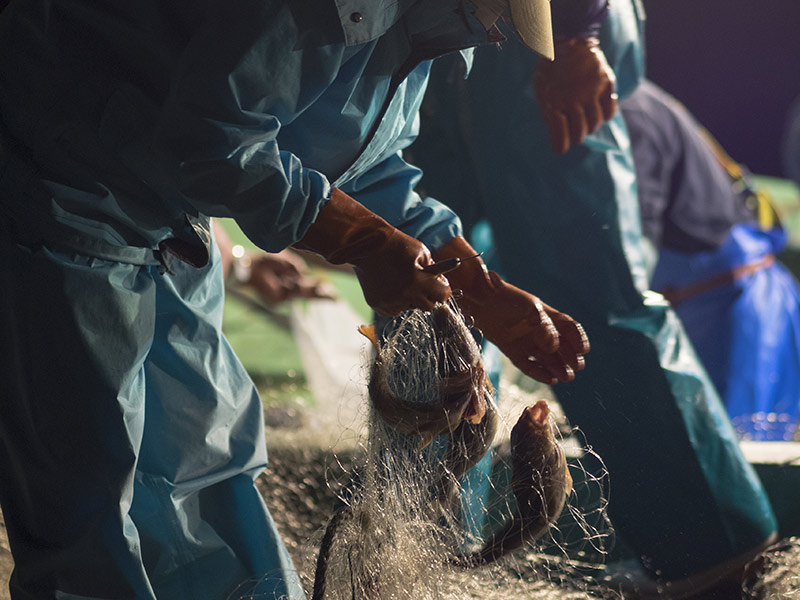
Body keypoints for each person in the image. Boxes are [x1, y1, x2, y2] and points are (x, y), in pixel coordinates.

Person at [0, 1, 590, 598]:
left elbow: (356, 158)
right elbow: (213, 141)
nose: (497, 33)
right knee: (85, 494)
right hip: (65, 191)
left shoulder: (426, 27)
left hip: (174, 224)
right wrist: (361, 240)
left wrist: (480, 288)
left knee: (208, 460)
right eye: (498, 14)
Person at [410, 1, 778, 597]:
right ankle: (425, 551)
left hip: (539, 29)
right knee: (426, 300)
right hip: (425, 38)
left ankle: (715, 549)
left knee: (589, 285)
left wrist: (577, 30)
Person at [621, 80, 800, 442]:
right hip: (697, 305)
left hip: (740, 314)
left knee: (739, 449)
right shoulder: (626, 99)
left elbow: (631, 251)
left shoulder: (630, 112)